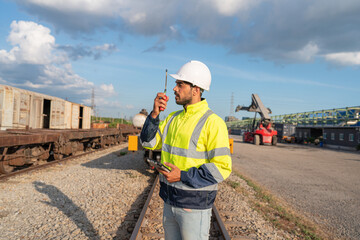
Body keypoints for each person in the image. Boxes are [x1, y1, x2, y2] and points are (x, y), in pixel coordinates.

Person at [140, 60, 232, 240]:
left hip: (194, 206)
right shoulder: (173, 119)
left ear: (196, 89)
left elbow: (222, 168)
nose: (175, 89)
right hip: (169, 201)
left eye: (180, 84)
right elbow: (147, 143)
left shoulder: (213, 123)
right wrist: (154, 115)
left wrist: (181, 176)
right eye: (175, 84)